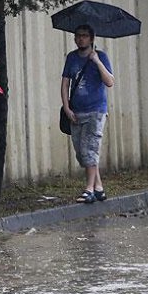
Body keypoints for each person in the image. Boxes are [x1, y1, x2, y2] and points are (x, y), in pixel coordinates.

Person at [61, 24, 114, 204]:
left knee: (90, 150)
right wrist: (67, 108)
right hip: (77, 112)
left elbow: (110, 82)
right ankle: (99, 187)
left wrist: (97, 61)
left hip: (96, 111)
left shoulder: (101, 57)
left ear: (91, 39)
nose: (80, 39)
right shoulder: (71, 58)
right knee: (82, 153)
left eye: (84, 36)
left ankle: (89, 190)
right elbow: (65, 84)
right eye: (77, 36)